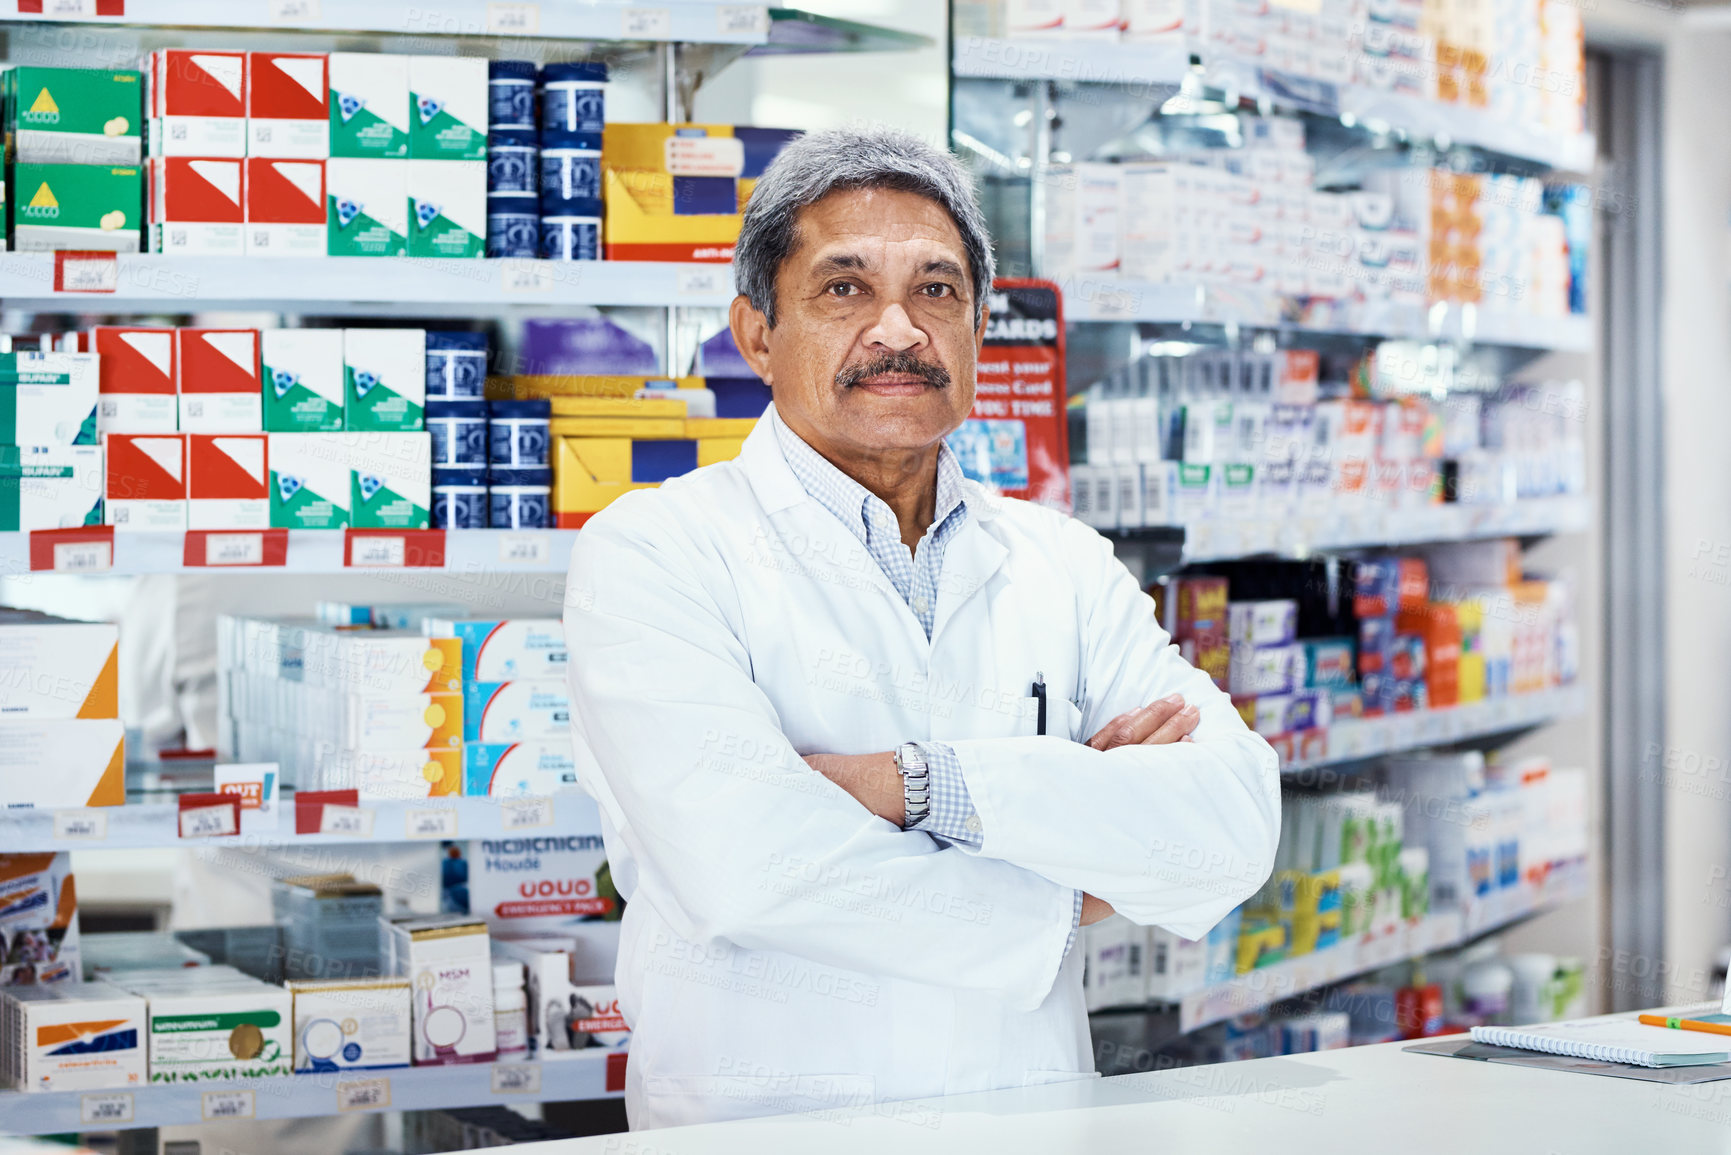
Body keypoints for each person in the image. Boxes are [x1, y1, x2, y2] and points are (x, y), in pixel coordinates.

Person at [563, 126, 1281, 1130]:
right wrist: (1078, 882)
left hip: (1024, 1124)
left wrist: (919, 784)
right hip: (768, 1127)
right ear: (757, 333)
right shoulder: (655, 553)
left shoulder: (1060, 560)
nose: (897, 328)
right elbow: (753, 873)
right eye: (844, 288)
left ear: (982, 329)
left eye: (937, 290)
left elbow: (1231, 829)